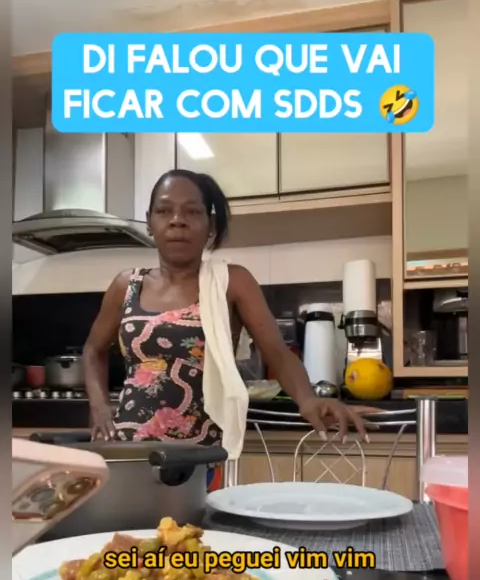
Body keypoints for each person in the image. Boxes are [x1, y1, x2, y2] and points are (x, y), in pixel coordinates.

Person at [84, 169, 372, 448]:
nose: (177, 221)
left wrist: (308, 399)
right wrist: (99, 407)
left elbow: (277, 353)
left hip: (202, 454)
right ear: (149, 221)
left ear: (210, 225)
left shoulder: (232, 282)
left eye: (192, 212)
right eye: (164, 211)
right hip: (129, 449)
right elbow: (93, 350)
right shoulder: (126, 285)